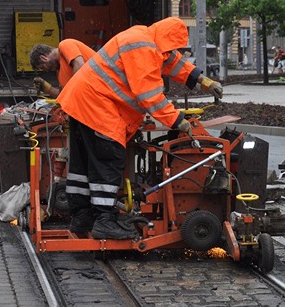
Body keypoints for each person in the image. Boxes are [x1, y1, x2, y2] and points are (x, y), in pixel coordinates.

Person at [57, 17, 223, 240]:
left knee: (85, 163)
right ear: (167, 40)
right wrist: (177, 121)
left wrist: (202, 80)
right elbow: (150, 97)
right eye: (174, 46)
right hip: (97, 105)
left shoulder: (146, 38)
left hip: (83, 102)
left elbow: (172, 61)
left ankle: (83, 216)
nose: (174, 51)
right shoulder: (143, 48)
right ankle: (104, 221)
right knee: (108, 159)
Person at [29, 39, 95, 98]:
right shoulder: (60, 72)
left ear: (43, 58)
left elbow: (80, 65)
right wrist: (47, 88)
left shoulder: (65, 45)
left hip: (100, 88)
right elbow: (64, 96)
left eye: (43, 67)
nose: (46, 71)